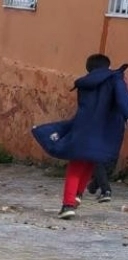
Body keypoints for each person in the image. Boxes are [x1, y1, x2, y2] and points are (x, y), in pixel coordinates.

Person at [31, 54, 128, 219]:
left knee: (79, 164)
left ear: (89, 68)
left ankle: (73, 200)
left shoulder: (84, 83)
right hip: (104, 131)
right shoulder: (115, 79)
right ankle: (70, 202)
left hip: (82, 128)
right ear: (107, 66)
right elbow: (122, 102)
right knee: (88, 163)